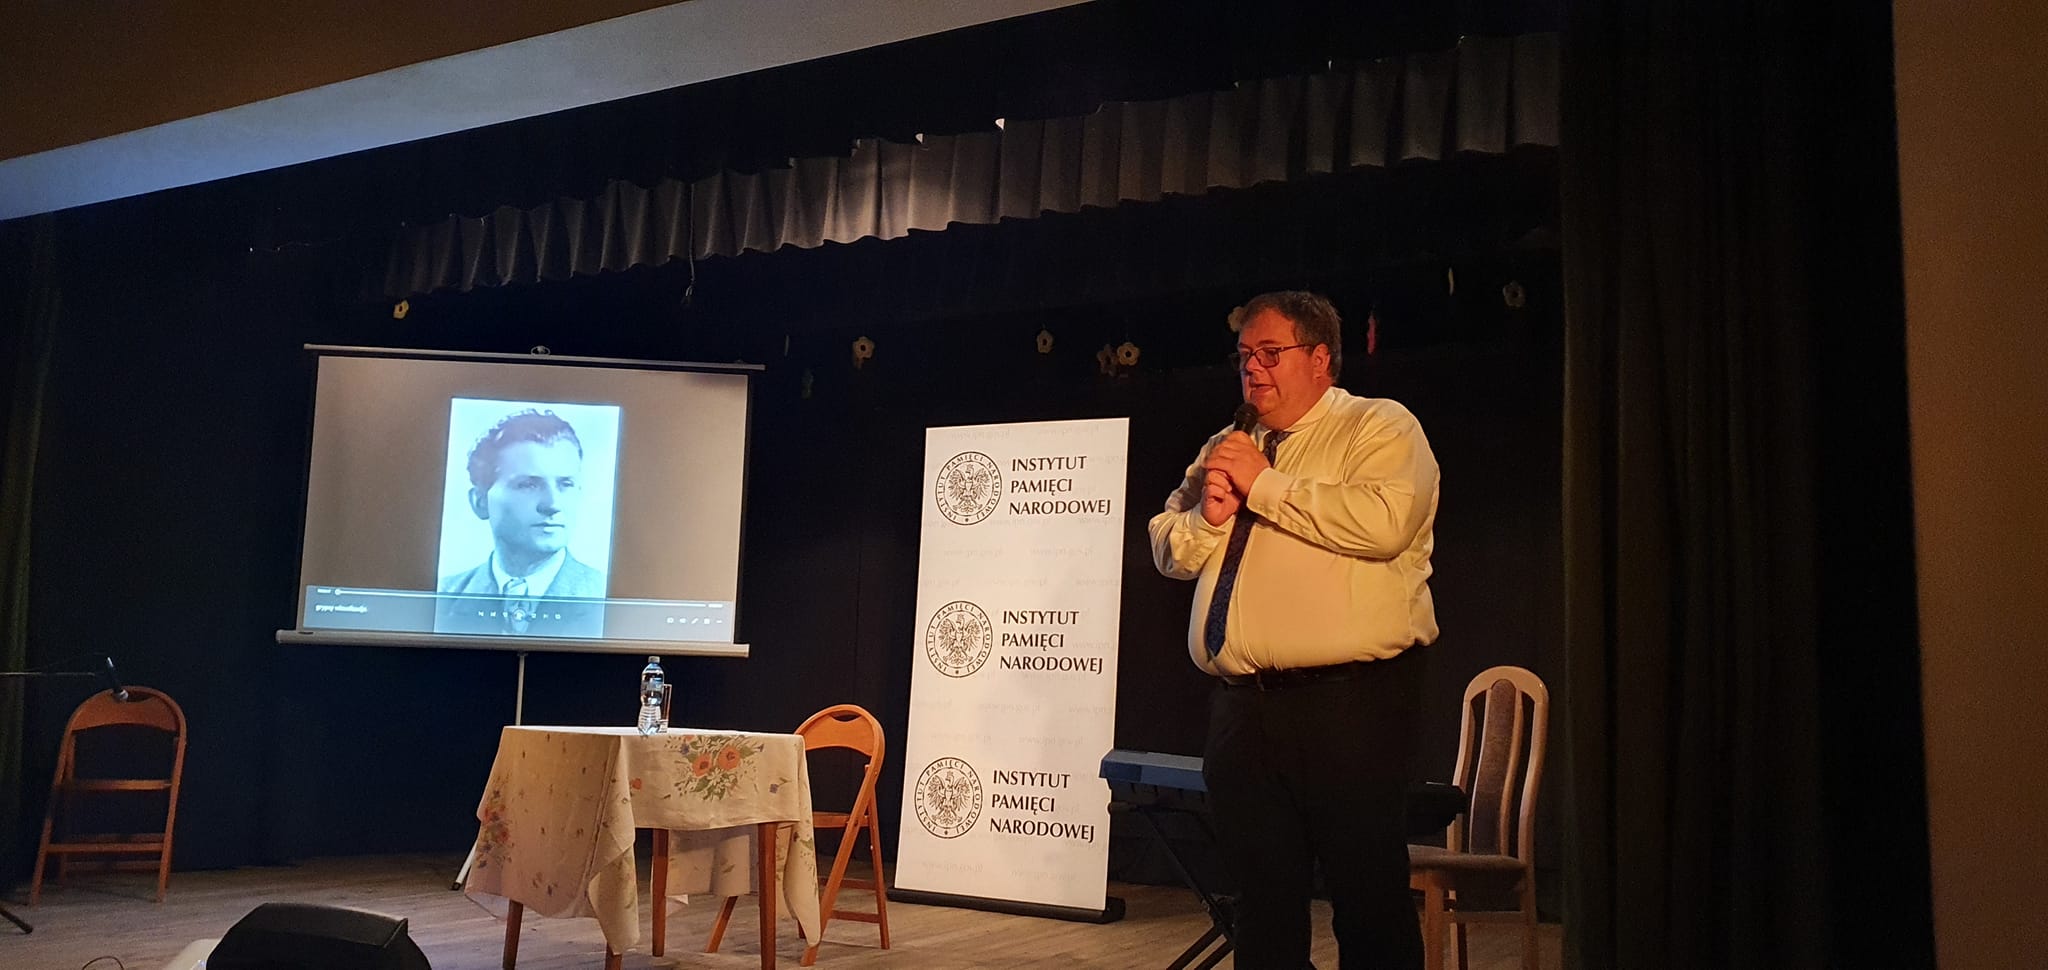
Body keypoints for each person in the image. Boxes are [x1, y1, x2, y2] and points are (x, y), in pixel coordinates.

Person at [1147, 291, 1439, 968]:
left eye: (1270, 352)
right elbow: (1167, 546)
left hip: (1349, 706)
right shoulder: (1227, 446)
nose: (1253, 368)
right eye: (1244, 355)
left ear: (1319, 359)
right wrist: (1207, 519)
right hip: (1241, 710)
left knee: (1367, 899)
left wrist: (1265, 486)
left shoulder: (1379, 426)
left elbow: (1383, 524)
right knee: (1261, 906)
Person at [437, 409, 607, 637]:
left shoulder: (605, 596)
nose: (553, 504)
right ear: (480, 502)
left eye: (565, 484)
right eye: (528, 485)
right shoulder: (443, 597)